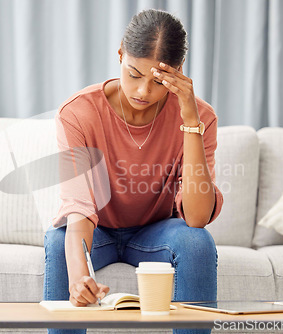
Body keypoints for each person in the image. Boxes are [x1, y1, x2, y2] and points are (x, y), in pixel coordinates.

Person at [43, 8, 224, 334]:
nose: (142, 92)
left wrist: (190, 122)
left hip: (156, 233)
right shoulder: (79, 113)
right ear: (120, 54)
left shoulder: (201, 118)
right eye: (134, 74)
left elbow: (196, 217)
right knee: (59, 244)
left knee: (198, 242)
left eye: (156, 81)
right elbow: (78, 208)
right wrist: (79, 279)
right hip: (97, 230)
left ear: (178, 72)